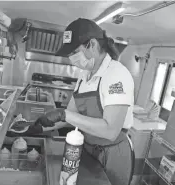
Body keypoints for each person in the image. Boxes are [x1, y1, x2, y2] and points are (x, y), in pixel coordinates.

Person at [34, 18, 135, 185]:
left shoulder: (116, 75)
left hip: (112, 154)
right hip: (87, 147)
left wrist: (63, 114)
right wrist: (38, 126)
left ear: (92, 44)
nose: (72, 59)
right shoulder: (84, 75)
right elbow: (70, 115)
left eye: (74, 52)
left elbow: (111, 130)